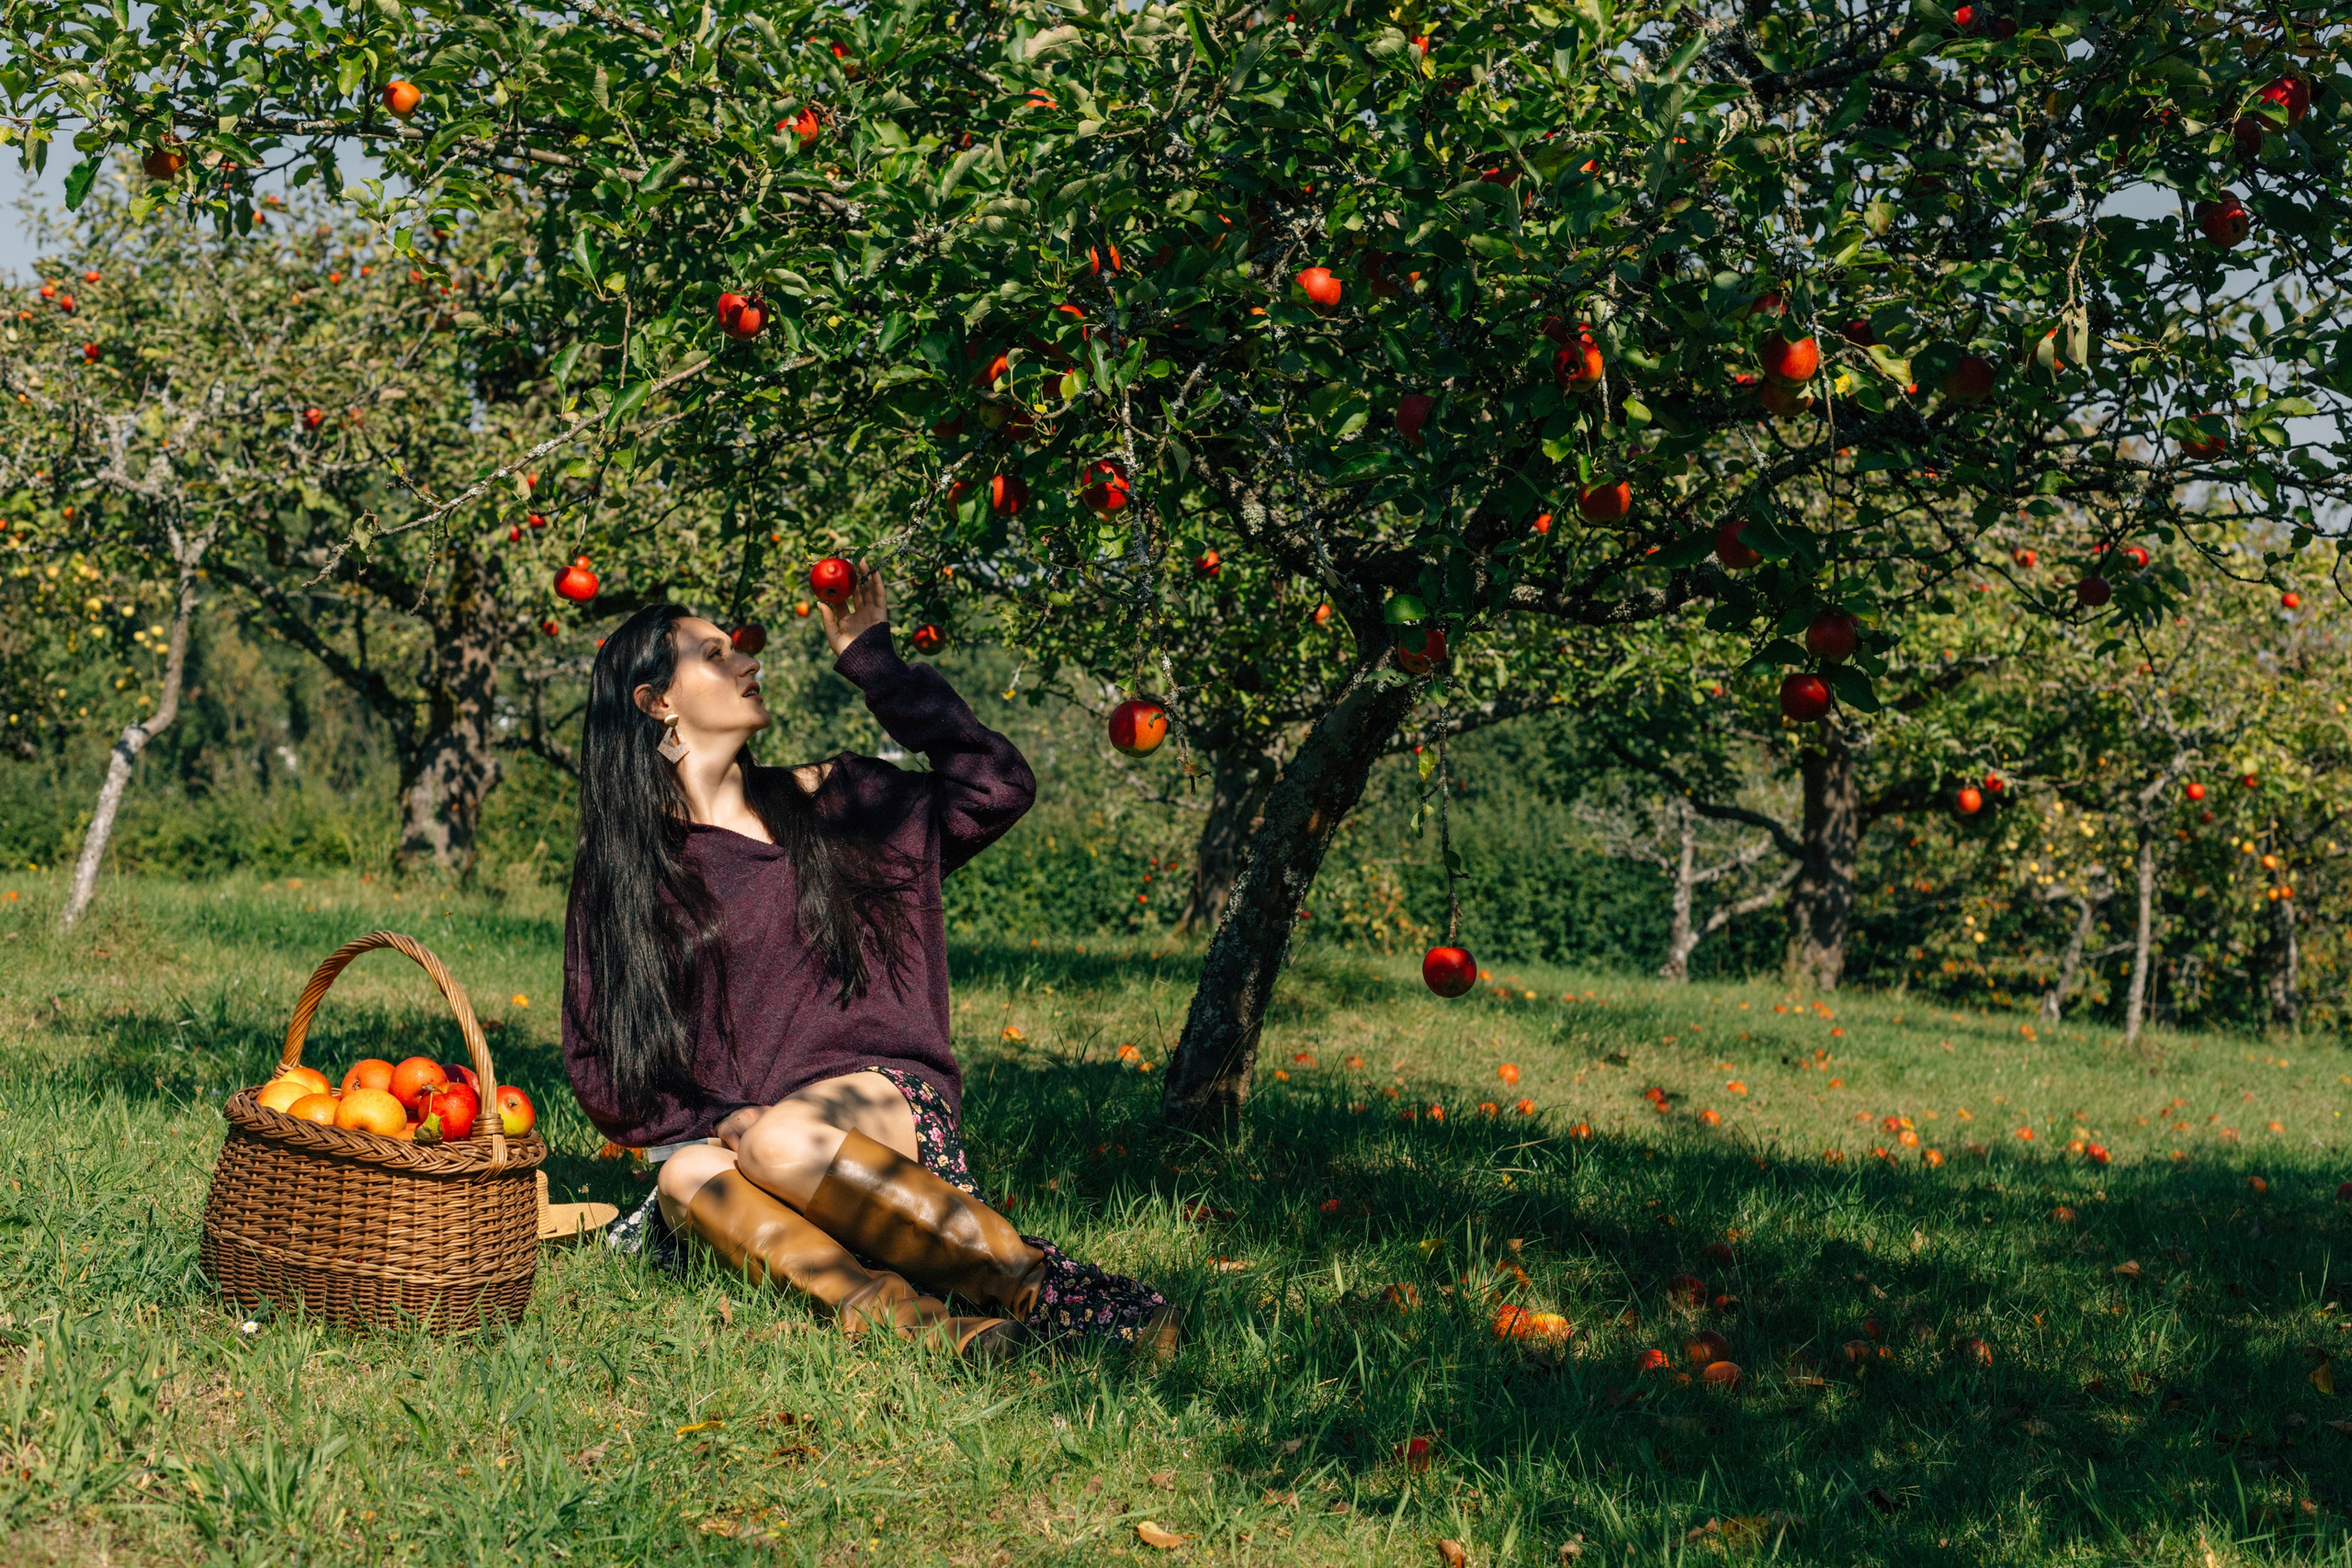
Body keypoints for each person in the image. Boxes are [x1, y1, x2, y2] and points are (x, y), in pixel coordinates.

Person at [561, 570, 1174, 1358]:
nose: (748, 662)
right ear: (658, 702)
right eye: (715, 654)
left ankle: (1053, 1292)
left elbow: (997, 786)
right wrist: (715, 1124)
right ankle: (932, 1330)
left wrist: (875, 664)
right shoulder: (628, 868)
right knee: (684, 1178)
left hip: (876, 1113)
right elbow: (599, 1058)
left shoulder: (838, 804)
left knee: (781, 1141)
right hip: (756, 1151)